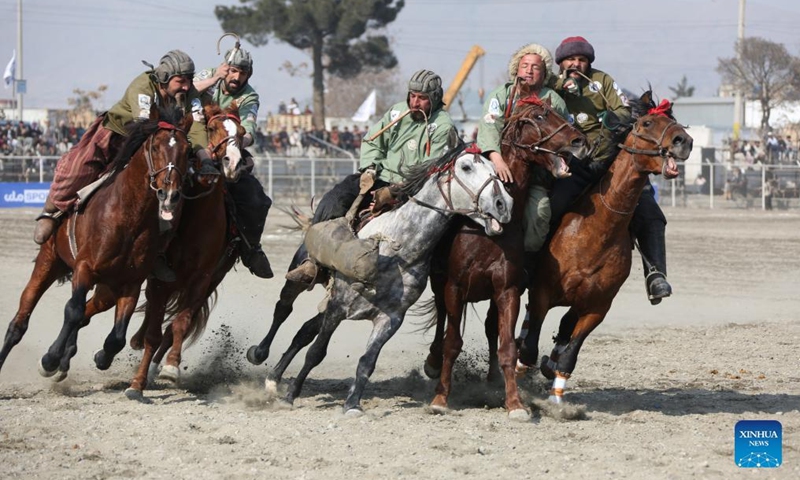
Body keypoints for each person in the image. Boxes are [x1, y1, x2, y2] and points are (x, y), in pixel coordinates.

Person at [33, 50, 213, 283]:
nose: (187, 87)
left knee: (173, 191)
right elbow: (145, 122)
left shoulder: (191, 96)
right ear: (165, 77)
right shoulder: (143, 85)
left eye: (189, 80)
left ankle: (157, 251)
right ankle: (51, 211)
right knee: (76, 167)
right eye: (181, 81)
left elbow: (197, 128)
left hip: (158, 147)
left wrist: (204, 157)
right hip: (118, 136)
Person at [285, 69, 460, 284]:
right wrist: (369, 168)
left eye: (422, 98)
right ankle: (311, 261)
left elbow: (432, 166)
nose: (415, 103)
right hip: (379, 176)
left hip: (414, 188)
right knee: (334, 198)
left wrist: (399, 188)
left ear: (433, 99)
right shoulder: (397, 112)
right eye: (412, 96)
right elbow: (373, 141)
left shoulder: (443, 125)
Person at [549, 36, 677, 305]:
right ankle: (530, 267)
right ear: (560, 63)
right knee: (549, 207)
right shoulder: (551, 86)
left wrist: (610, 122)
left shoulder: (602, 81)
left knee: (651, 214)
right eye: (570, 59)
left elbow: (622, 110)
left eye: (582, 60)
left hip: (609, 162)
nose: (576, 64)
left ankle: (655, 275)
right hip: (571, 164)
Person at [477, 43, 570, 254]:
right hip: (497, 169)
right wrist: (497, 158)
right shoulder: (501, 95)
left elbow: (564, 137)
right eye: (525, 65)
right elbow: (489, 127)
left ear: (544, 73)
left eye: (535, 67)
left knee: (540, 212)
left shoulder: (554, 101)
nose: (529, 70)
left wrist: (560, 160)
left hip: (537, 176)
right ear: (516, 69)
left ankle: (527, 261)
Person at [193, 47, 274, 279]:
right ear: (225, 68)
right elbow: (187, 92)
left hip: (228, 151)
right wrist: (215, 77)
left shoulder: (249, 96)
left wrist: (237, 141)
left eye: (243, 73)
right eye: (234, 71)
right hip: (193, 143)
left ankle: (251, 249)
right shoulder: (207, 76)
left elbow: (249, 130)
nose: (237, 78)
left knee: (258, 200)